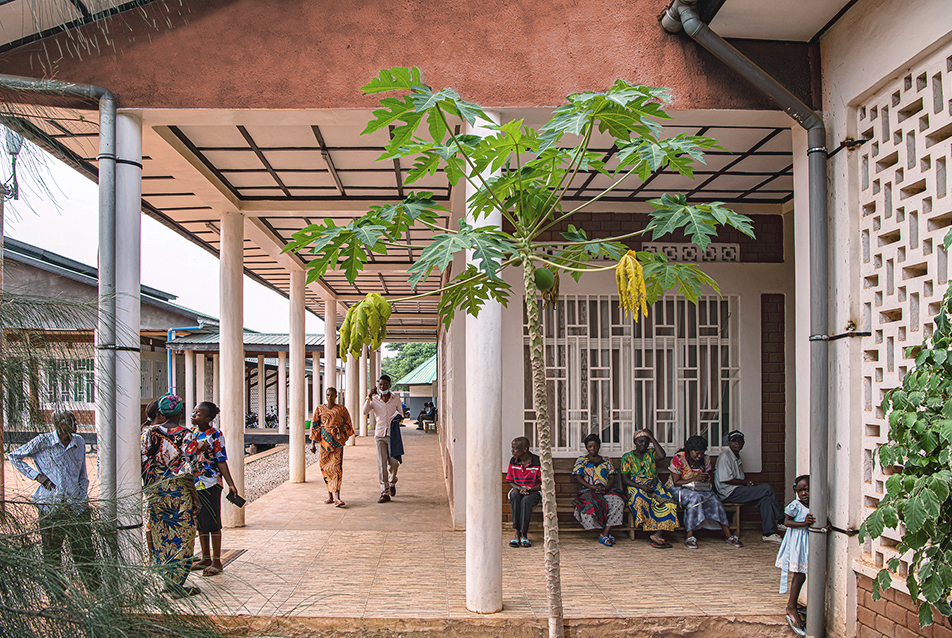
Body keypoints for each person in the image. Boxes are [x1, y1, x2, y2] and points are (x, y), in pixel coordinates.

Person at [9, 410, 95, 592]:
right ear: (59, 425)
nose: (75, 426)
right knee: (52, 553)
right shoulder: (43, 441)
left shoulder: (78, 441)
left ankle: (93, 588)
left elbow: (82, 475)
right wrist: (37, 476)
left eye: (75, 422)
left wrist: (81, 496)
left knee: (84, 549)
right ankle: (56, 592)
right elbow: (14, 456)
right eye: (70, 422)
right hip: (50, 507)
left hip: (76, 506)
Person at [140, 393, 202, 597]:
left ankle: (167, 580)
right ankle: (177, 584)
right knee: (182, 536)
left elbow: (144, 464)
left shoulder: (149, 433)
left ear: (160, 412)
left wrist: (150, 489)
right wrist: (195, 497)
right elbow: (189, 470)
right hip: (179, 492)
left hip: (157, 492)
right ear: (181, 411)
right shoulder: (188, 435)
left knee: (161, 534)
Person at [189, 401, 239, 577]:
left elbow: (221, 460)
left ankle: (217, 560)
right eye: (194, 412)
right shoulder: (193, 434)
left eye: (198, 414)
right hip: (195, 483)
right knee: (201, 522)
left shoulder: (215, 435)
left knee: (213, 522)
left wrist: (231, 483)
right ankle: (205, 557)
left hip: (210, 483)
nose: (194, 415)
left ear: (208, 418)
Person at [667, 435, 743, 549]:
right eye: (697, 453)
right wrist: (695, 478)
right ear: (689, 450)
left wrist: (706, 477)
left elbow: (709, 477)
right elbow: (676, 482)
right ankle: (689, 536)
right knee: (694, 498)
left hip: (699, 488)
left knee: (714, 499)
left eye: (702, 453)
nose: (699, 456)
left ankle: (728, 535)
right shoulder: (679, 458)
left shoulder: (705, 459)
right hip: (677, 489)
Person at [714, 430, 784, 542]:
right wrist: (746, 482)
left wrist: (747, 484)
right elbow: (727, 479)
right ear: (728, 443)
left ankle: (769, 533)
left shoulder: (737, 457)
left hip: (738, 490)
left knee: (765, 499)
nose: (737, 443)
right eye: (734, 441)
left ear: (743, 443)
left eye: (739, 441)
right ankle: (781, 520)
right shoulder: (725, 457)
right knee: (767, 488)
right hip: (728, 493)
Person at [620, 429, 678, 548]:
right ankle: (653, 532)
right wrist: (641, 487)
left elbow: (662, 455)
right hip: (636, 486)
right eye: (640, 441)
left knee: (667, 503)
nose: (643, 444)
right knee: (641, 501)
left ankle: (657, 533)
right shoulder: (627, 457)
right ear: (635, 442)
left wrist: (651, 437)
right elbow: (625, 479)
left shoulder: (651, 453)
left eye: (646, 442)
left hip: (654, 485)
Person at [571, 433, 625, 546]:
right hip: (588, 490)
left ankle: (605, 533)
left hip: (606, 490)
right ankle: (601, 531)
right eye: (590, 446)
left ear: (599, 446)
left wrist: (605, 488)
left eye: (595, 446)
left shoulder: (606, 460)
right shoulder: (582, 461)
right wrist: (592, 487)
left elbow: (612, 477)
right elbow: (578, 477)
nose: (593, 449)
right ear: (586, 447)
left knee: (618, 502)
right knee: (590, 504)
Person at [777, 475, 813, 636]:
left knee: (804, 574)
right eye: (800, 491)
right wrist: (803, 524)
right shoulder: (795, 505)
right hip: (797, 543)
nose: (804, 494)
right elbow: (787, 522)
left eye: (806, 490)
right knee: (799, 575)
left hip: (808, 544)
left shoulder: (816, 504)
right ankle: (791, 606)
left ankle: (797, 604)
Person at [309, 387, 354, 507]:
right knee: (325, 467)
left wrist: (341, 429)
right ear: (325, 395)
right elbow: (315, 426)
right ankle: (329, 495)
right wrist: (313, 443)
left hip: (337, 443)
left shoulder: (341, 409)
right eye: (328, 395)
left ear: (336, 396)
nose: (330, 398)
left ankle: (337, 497)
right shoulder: (319, 409)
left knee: (336, 469)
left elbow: (348, 423)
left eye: (332, 395)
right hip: (324, 444)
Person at [362, 374, 403, 503]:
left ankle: (392, 481)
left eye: (385, 384)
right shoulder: (374, 399)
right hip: (379, 435)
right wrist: (369, 396)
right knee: (381, 463)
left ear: (389, 385)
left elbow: (401, 414)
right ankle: (384, 492)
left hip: (393, 435)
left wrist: (398, 419)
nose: (382, 386)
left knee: (394, 462)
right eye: (380, 384)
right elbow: (364, 411)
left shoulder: (396, 399)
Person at [506, 436, 542, 548]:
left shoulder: (537, 461)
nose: (512, 451)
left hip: (534, 491)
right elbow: (510, 481)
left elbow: (543, 483)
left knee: (526, 501)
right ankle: (517, 533)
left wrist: (530, 489)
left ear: (525, 449)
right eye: (512, 448)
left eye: (515, 449)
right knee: (514, 495)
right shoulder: (513, 461)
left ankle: (524, 534)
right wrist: (520, 488)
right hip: (518, 489)